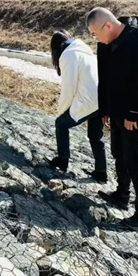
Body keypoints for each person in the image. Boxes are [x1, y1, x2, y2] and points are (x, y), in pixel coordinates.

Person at [86, 7, 138, 231]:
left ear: (108, 26)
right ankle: (122, 194)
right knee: (118, 152)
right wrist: (105, 110)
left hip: (136, 112)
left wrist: (133, 113)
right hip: (116, 109)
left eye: (96, 34)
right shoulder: (106, 44)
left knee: (135, 159)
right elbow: (104, 79)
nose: (96, 39)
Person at [49, 30, 107, 182]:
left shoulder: (68, 55)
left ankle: (63, 160)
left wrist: (61, 112)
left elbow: (68, 89)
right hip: (101, 99)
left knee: (61, 124)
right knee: (95, 135)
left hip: (88, 100)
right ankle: (101, 171)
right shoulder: (85, 51)